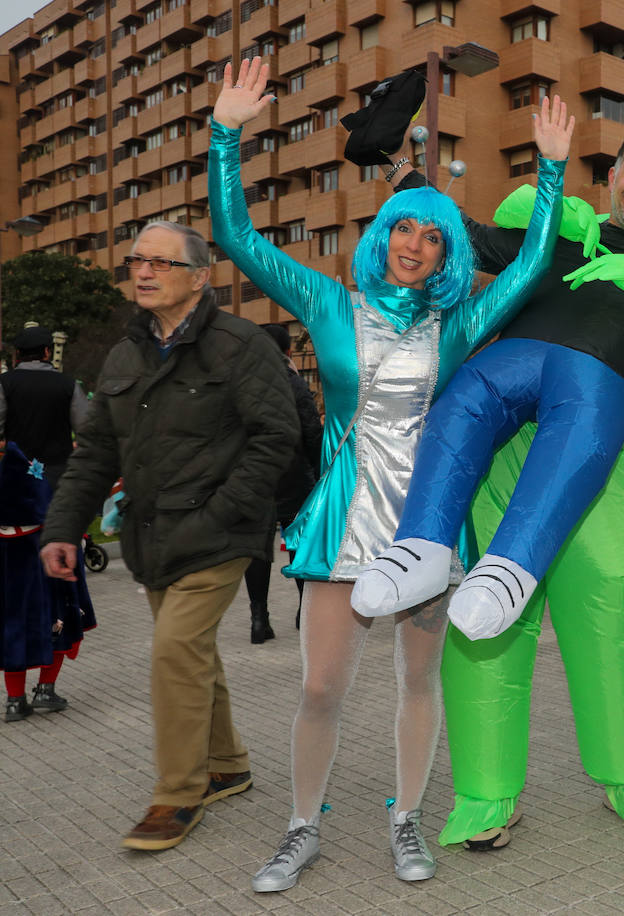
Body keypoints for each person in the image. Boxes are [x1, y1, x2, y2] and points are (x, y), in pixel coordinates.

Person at [206, 58, 567, 889]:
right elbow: (236, 239)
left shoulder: (462, 319)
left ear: (445, 253)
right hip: (344, 520)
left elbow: (533, 264)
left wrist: (549, 172)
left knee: (419, 679)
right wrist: (226, 136)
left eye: (434, 235)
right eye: (406, 227)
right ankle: (302, 827)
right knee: (323, 686)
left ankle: (406, 820)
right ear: (383, 234)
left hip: (429, 523)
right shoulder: (331, 303)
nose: (416, 244)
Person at [353, 126, 624, 643]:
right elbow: (469, 234)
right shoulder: (563, 232)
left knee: (585, 422)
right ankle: (420, 545)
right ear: (613, 175)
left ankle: (511, 567)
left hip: (597, 379)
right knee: (462, 398)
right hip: (513, 359)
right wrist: (402, 173)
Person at [38, 214, 299, 851]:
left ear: (200, 278)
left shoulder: (239, 345)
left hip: (219, 535)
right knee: (192, 656)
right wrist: (64, 526)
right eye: (137, 262)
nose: (145, 272)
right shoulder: (125, 355)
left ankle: (178, 794)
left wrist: (224, 511)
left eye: (162, 262)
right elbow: (97, 451)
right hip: (152, 539)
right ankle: (228, 763)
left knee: (174, 652)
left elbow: (276, 437)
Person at [240, 323, 324, 644]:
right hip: (293, 478)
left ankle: (259, 620)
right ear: (288, 351)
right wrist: (319, 477)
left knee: (257, 550)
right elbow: (313, 434)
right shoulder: (295, 385)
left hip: (254, 479)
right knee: (298, 544)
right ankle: (306, 611)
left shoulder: (241, 383)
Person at [2, 440, 95, 721]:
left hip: (9, 569)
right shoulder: (30, 472)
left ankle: (15, 701)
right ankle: (46, 688)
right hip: (42, 554)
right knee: (59, 620)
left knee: (11, 628)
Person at [0, 324, 90, 492]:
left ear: (18, 353)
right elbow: (87, 431)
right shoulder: (68, 385)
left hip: (16, 471)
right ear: (47, 352)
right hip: (57, 474)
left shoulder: (5, 383)